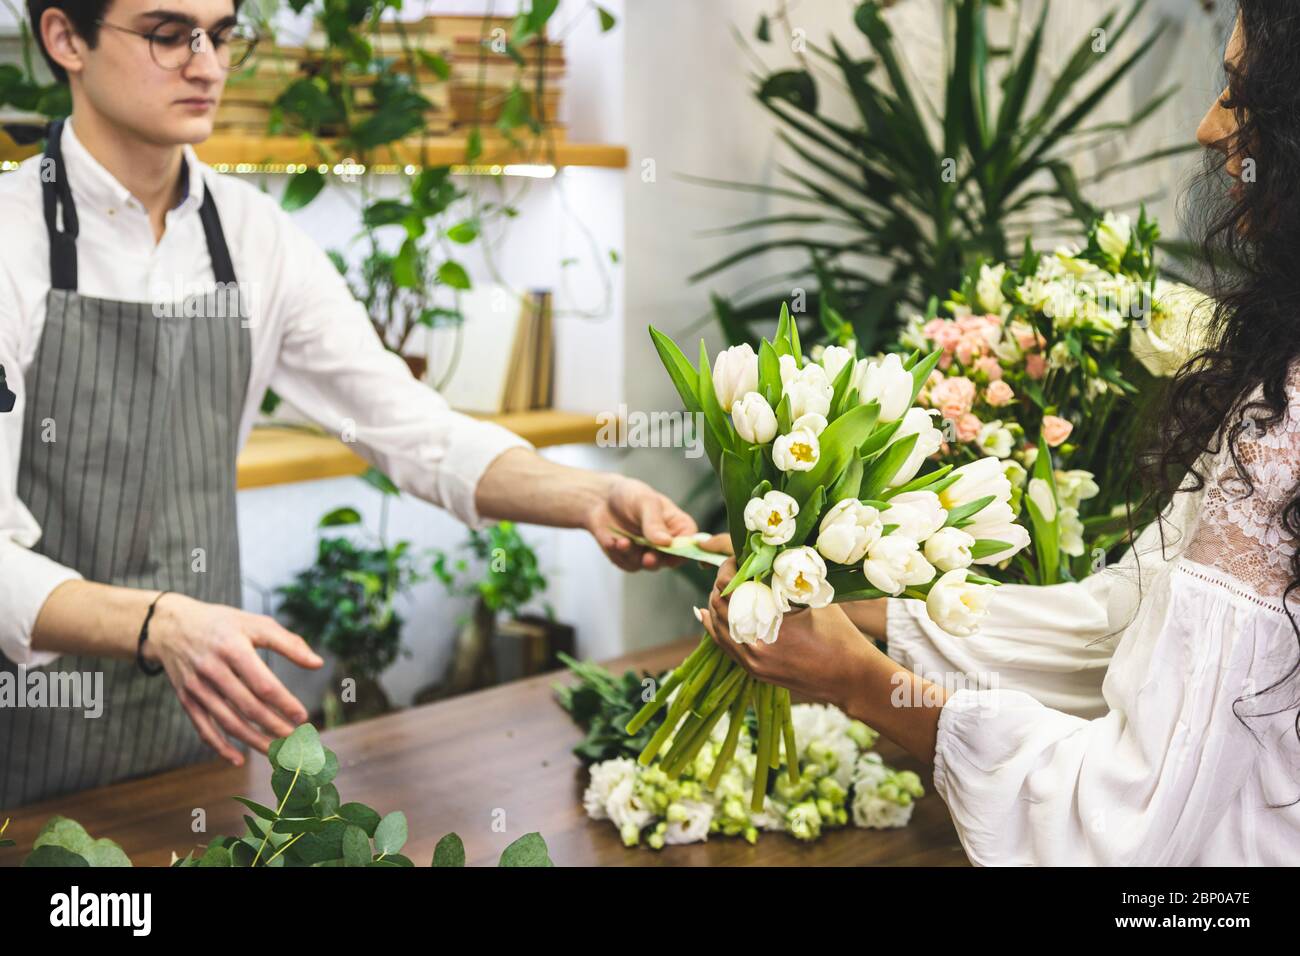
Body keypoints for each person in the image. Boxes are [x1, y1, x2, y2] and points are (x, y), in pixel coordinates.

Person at [0, 0, 697, 808]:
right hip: (28, 745)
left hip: (205, 730)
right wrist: (161, 623)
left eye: (221, 34)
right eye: (166, 34)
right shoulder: (10, 241)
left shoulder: (254, 236)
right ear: (63, 39)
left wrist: (590, 497)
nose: (208, 64)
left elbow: (411, 427)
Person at [699, 6, 1300, 865]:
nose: (1210, 128)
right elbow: (1128, 627)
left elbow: (1123, 833)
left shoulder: (1288, 427)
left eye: (1243, 96)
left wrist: (862, 684)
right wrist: (856, 600)